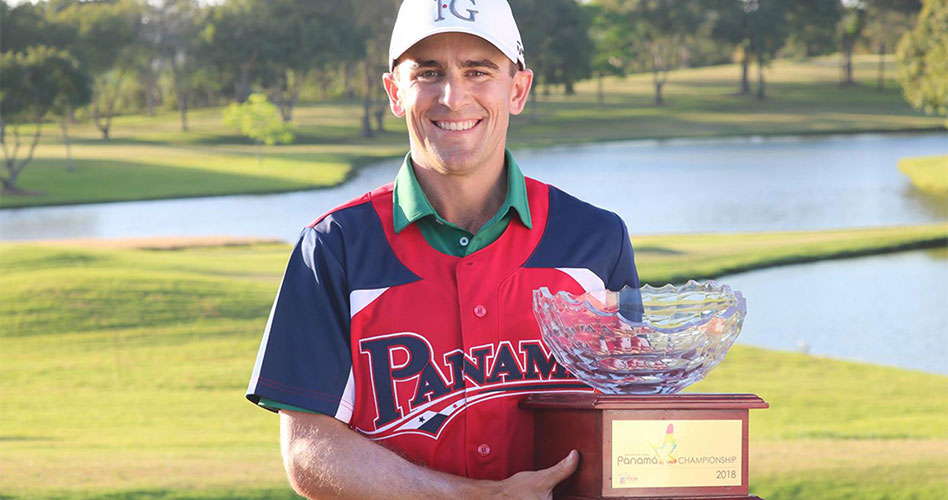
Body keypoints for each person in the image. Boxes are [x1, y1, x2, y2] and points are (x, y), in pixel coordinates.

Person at [246, 1, 639, 498]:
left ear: (518, 89)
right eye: (428, 73)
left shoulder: (597, 239)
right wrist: (475, 497)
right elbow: (309, 450)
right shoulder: (334, 246)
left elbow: (636, 412)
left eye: (478, 71)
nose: (453, 97)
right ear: (395, 92)